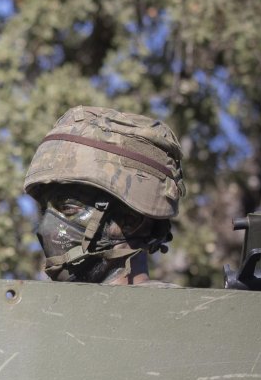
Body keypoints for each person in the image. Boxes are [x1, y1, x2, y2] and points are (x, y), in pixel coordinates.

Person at [23, 106, 185, 285]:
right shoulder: (41, 309)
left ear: (129, 220)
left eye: (68, 208)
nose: (45, 227)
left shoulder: (180, 311)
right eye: (45, 210)